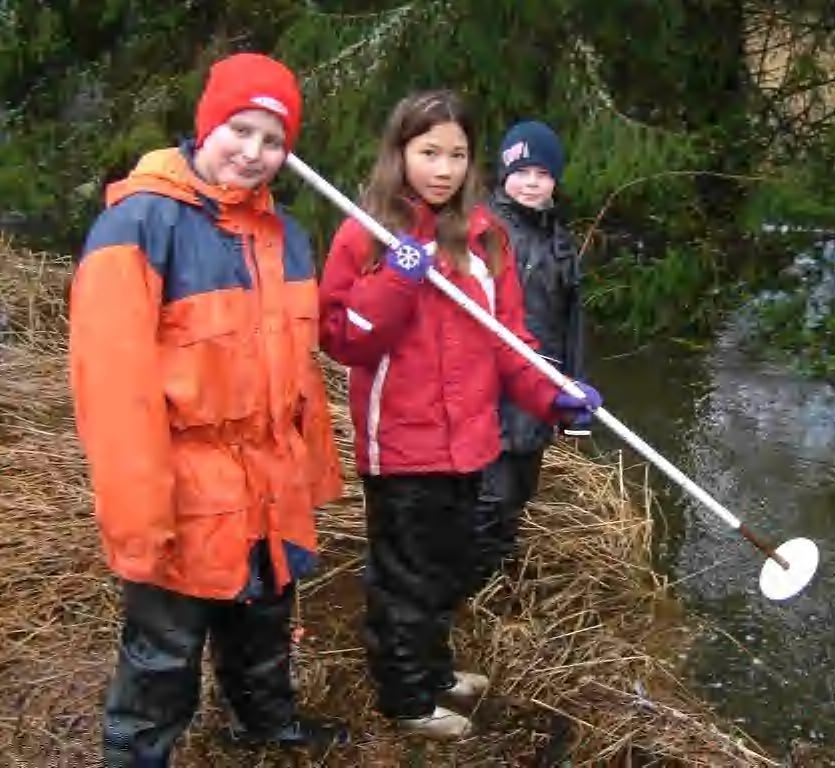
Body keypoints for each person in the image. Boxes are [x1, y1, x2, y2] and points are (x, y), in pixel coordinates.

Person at [69, 52, 347, 766]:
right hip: (184, 491)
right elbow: (113, 390)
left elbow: (301, 374)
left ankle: (266, 727)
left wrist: (310, 477)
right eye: (240, 130)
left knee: (264, 624)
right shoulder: (139, 224)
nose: (254, 154)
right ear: (206, 125)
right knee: (162, 658)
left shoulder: (286, 234)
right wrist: (140, 519)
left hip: (269, 484)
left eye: (273, 140)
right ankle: (136, 757)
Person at [318, 90, 601, 739]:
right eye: (428, 153)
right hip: (402, 444)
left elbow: (510, 343)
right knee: (404, 578)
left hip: (472, 439)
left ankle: (434, 669)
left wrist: (553, 393)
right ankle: (405, 698)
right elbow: (343, 339)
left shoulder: (485, 237)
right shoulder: (366, 233)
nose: (442, 169)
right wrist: (396, 275)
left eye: (456, 155)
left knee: (446, 565)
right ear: (400, 153)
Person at [475, 120, 586, 582]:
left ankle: (499, 567)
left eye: (542, 174)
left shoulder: (561, 245)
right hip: (489, 384)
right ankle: (472, 579)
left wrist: (574, 386)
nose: (532, 182)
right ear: (504, 174)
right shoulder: (482, 229)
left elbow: (573, 321)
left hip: (541, 385)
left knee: (520, 488)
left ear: (555, 181)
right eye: (522, 172)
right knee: (490, 492)